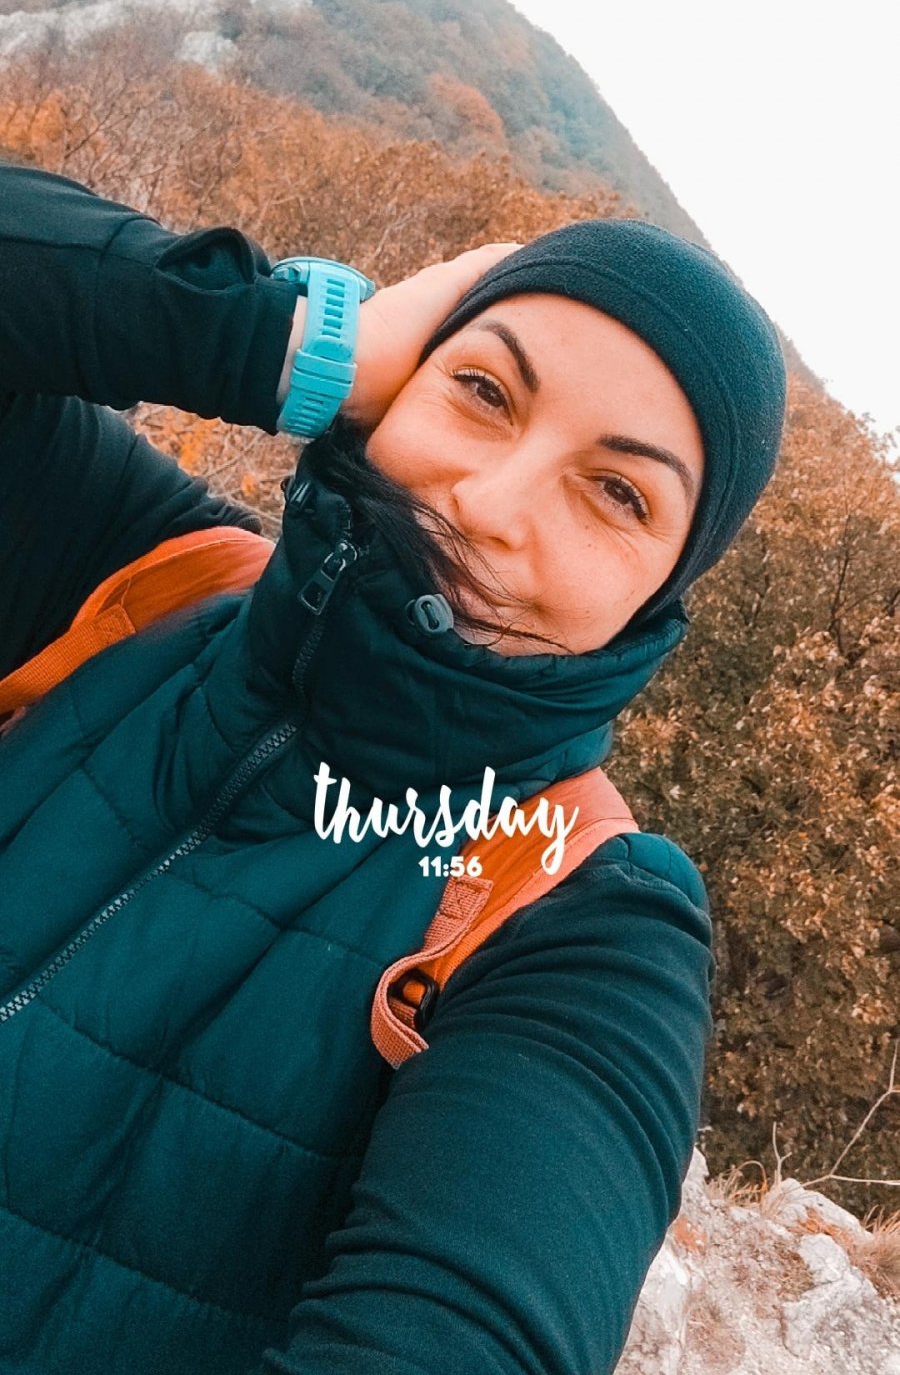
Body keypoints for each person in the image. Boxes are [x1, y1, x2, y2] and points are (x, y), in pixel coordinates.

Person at [0, 162, 786, 1375]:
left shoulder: (583, 922)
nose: (492, 503)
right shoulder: (148, 578)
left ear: (658, 597)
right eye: (483, 389)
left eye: (618, 493)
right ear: (393, 381)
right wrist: (284, 342)